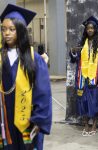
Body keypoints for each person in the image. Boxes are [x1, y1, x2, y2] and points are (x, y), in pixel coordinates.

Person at [0, 4, 52, 149]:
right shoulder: (0, 57)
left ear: (21, 31)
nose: (6, 33)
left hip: (27, 120)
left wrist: (39, 120)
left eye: (11, 29)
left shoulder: (34, 59)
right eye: (3, 29)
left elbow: (43, 92)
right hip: (4, 119)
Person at [70, 16, 98, 136]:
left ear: (95, 29)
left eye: (92, 28)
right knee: (83, 102)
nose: (89, 30)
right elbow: (75, 60)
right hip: (82, 78)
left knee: (94, 102)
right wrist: (73, 51)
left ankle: (94, 125)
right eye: (88, 28)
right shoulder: (81, 43)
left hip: (95, 78)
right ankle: (86, 125)